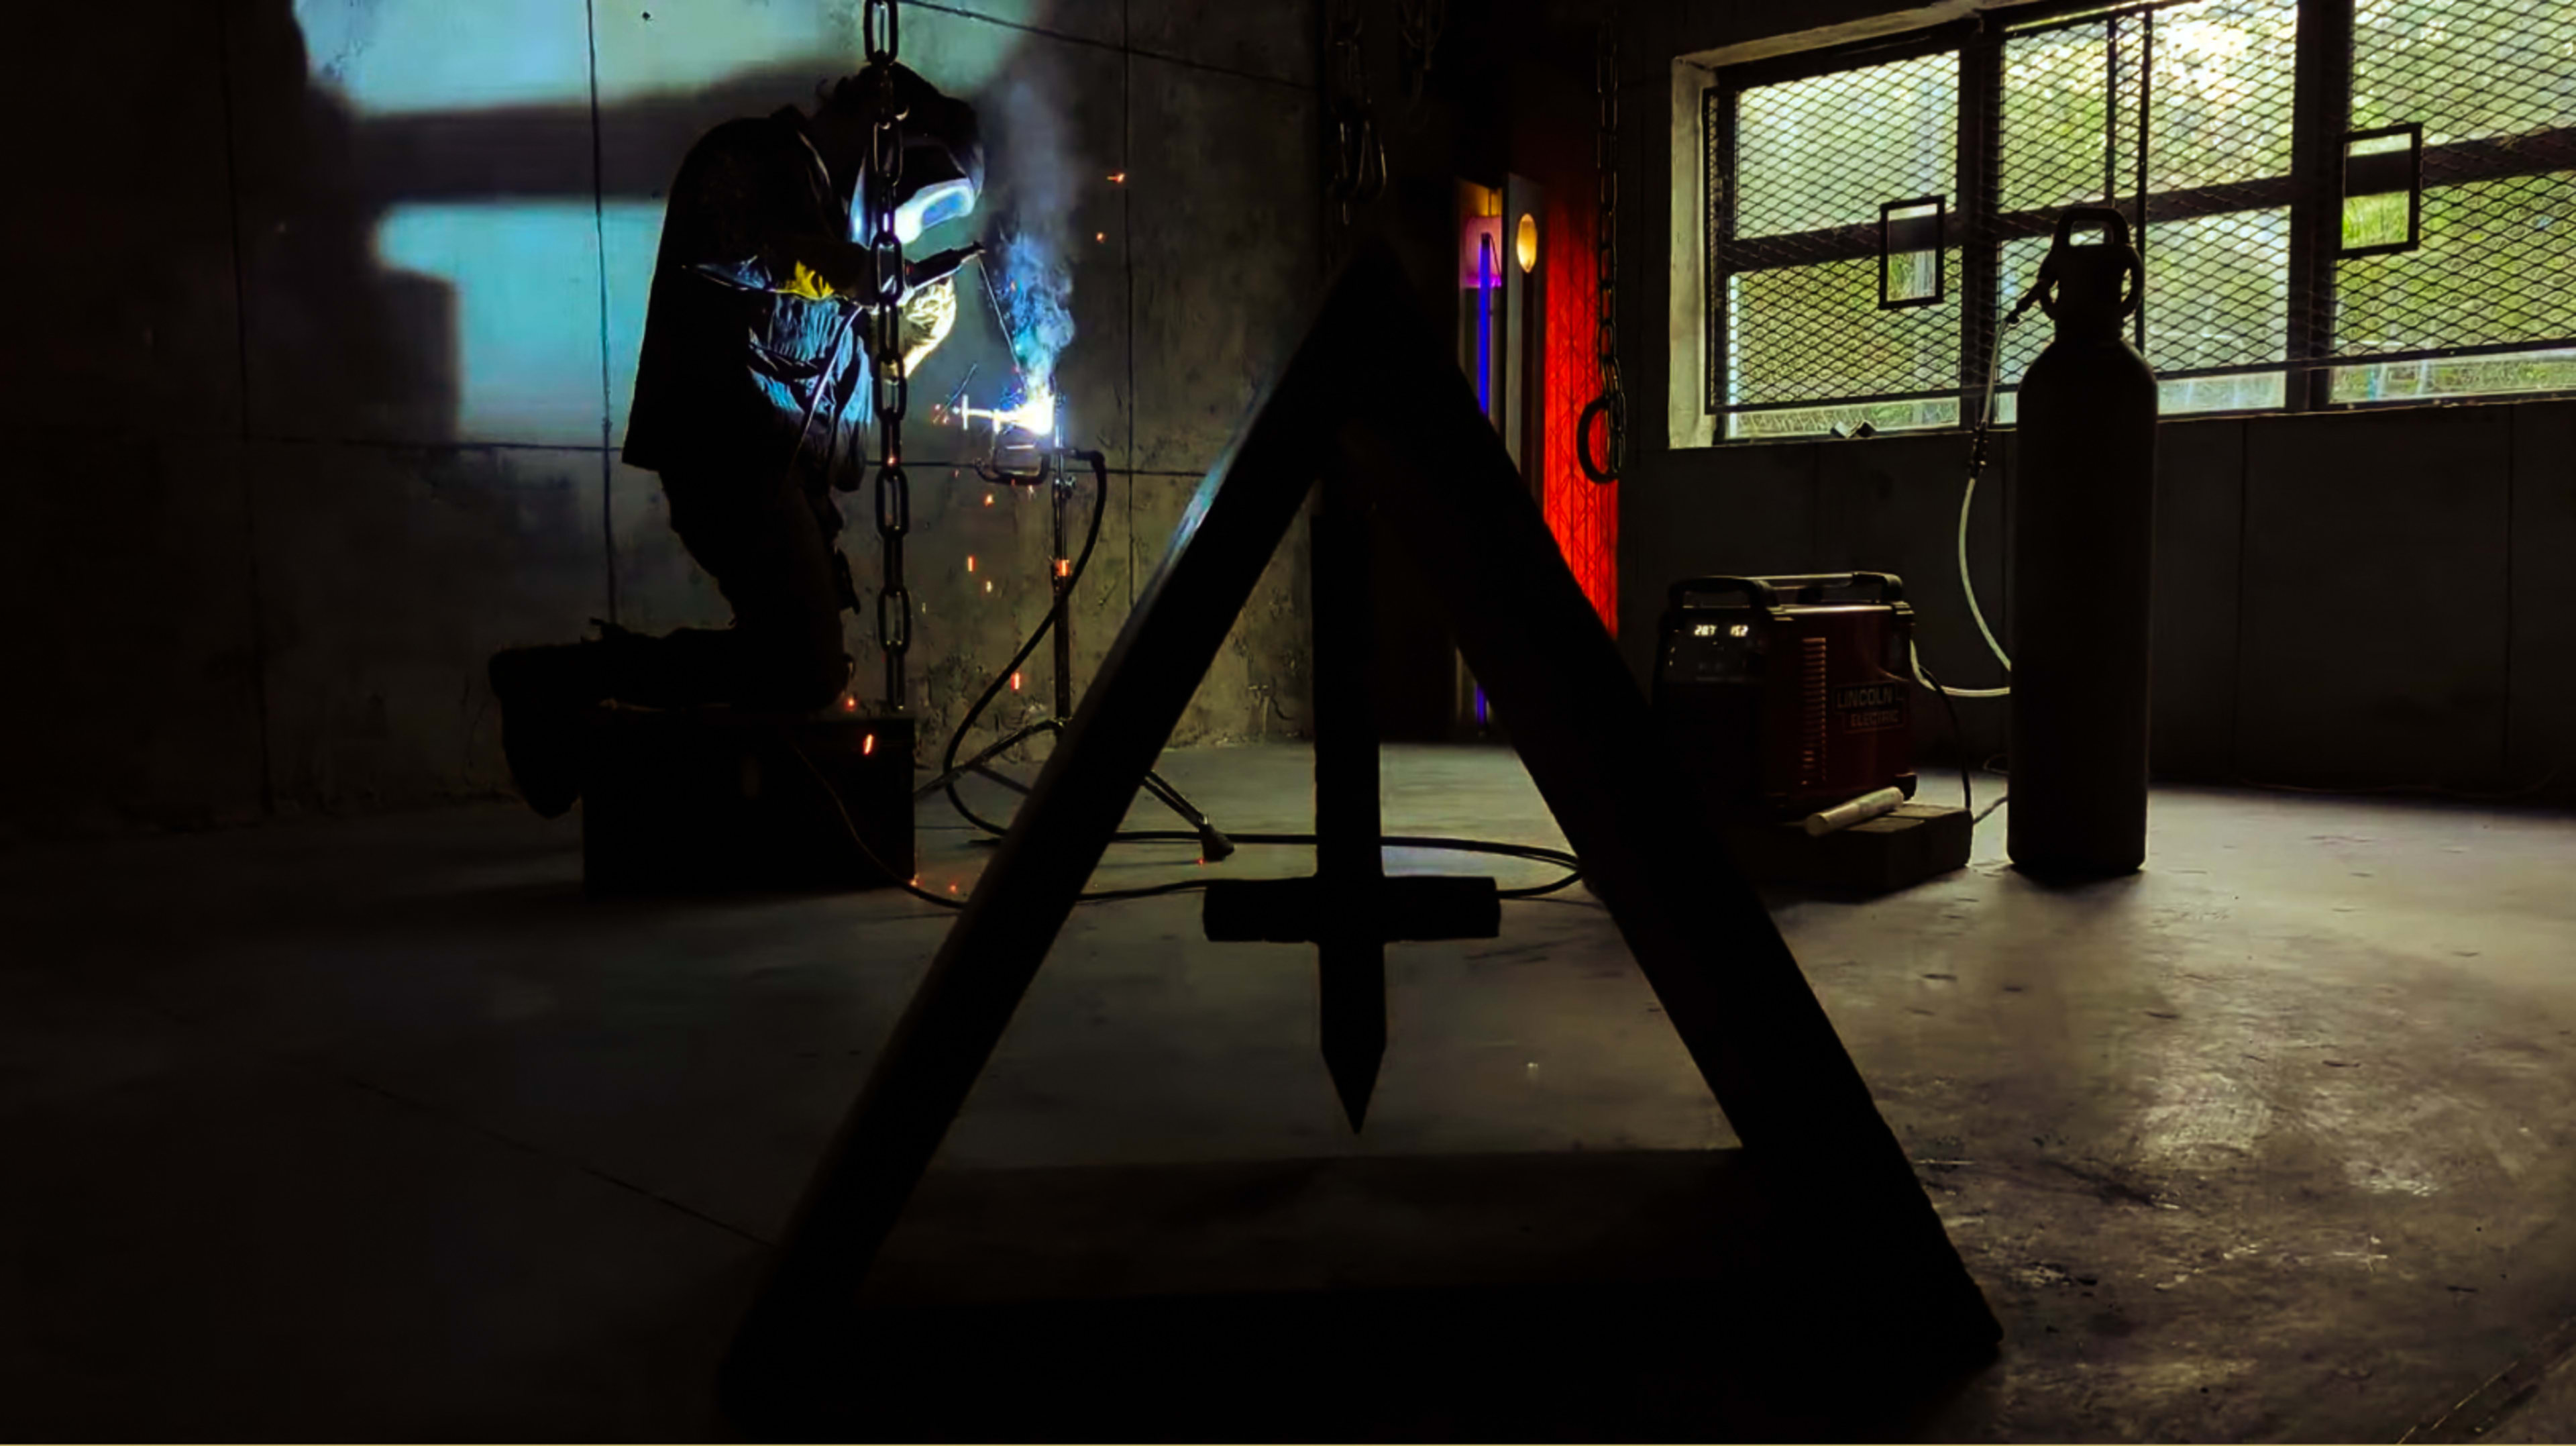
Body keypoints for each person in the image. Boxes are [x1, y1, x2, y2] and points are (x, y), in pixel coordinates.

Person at [489, 64, 982, 817]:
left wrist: (902, 347)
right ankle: (566, 686)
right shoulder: (746, 156)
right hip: (722, 449)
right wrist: (850, 271)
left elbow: (833, 409)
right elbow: (741, 252)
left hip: (778, 470)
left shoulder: (827, 214)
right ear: (885, 132)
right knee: (803, 664)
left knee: (805, 666)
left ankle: (572, 698)